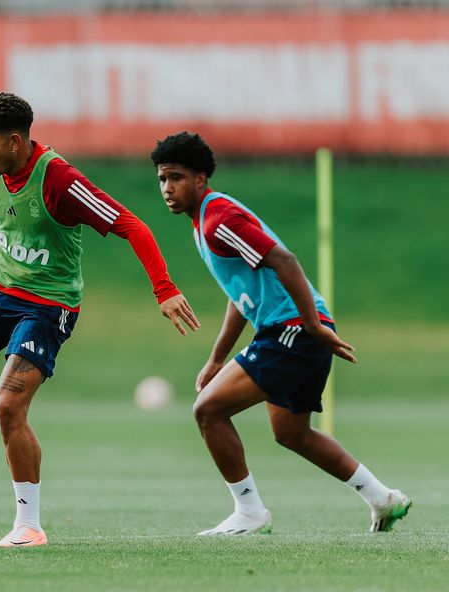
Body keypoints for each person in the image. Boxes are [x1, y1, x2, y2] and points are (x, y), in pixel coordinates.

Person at [0, 92, 200, 548]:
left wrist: (165, 289)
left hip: (47, 306)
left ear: (15, 142)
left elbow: (131, 225)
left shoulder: (59, 180)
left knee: (8, 405)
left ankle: (28, 526)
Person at [151, 131, 411, 536]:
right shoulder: (203, 224)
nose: (168, 188)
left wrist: (312, 324)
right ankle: (383, 499)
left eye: (176, 177)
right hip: (288, 331)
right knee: (292, 434)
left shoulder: (220, 219)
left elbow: (284, 260)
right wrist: (217, 357)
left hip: (292, 331)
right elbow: (241, 293)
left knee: (208, 410)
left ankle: (250, 512)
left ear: (201, 179)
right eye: (162, 179)